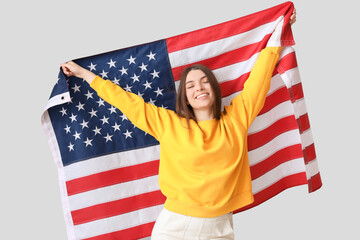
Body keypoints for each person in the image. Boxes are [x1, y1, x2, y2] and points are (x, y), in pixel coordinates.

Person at [61, 10, 296, 240]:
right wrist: (84, 74)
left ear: (215, 89)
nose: (199, 88)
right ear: (184, 96)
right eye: (191, 86)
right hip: (178, 226)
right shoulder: (170, 125)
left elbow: (259, 81)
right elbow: (127, 103)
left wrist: (279, 33)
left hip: (223, 226)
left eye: (205, 82)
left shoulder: (236, 120)